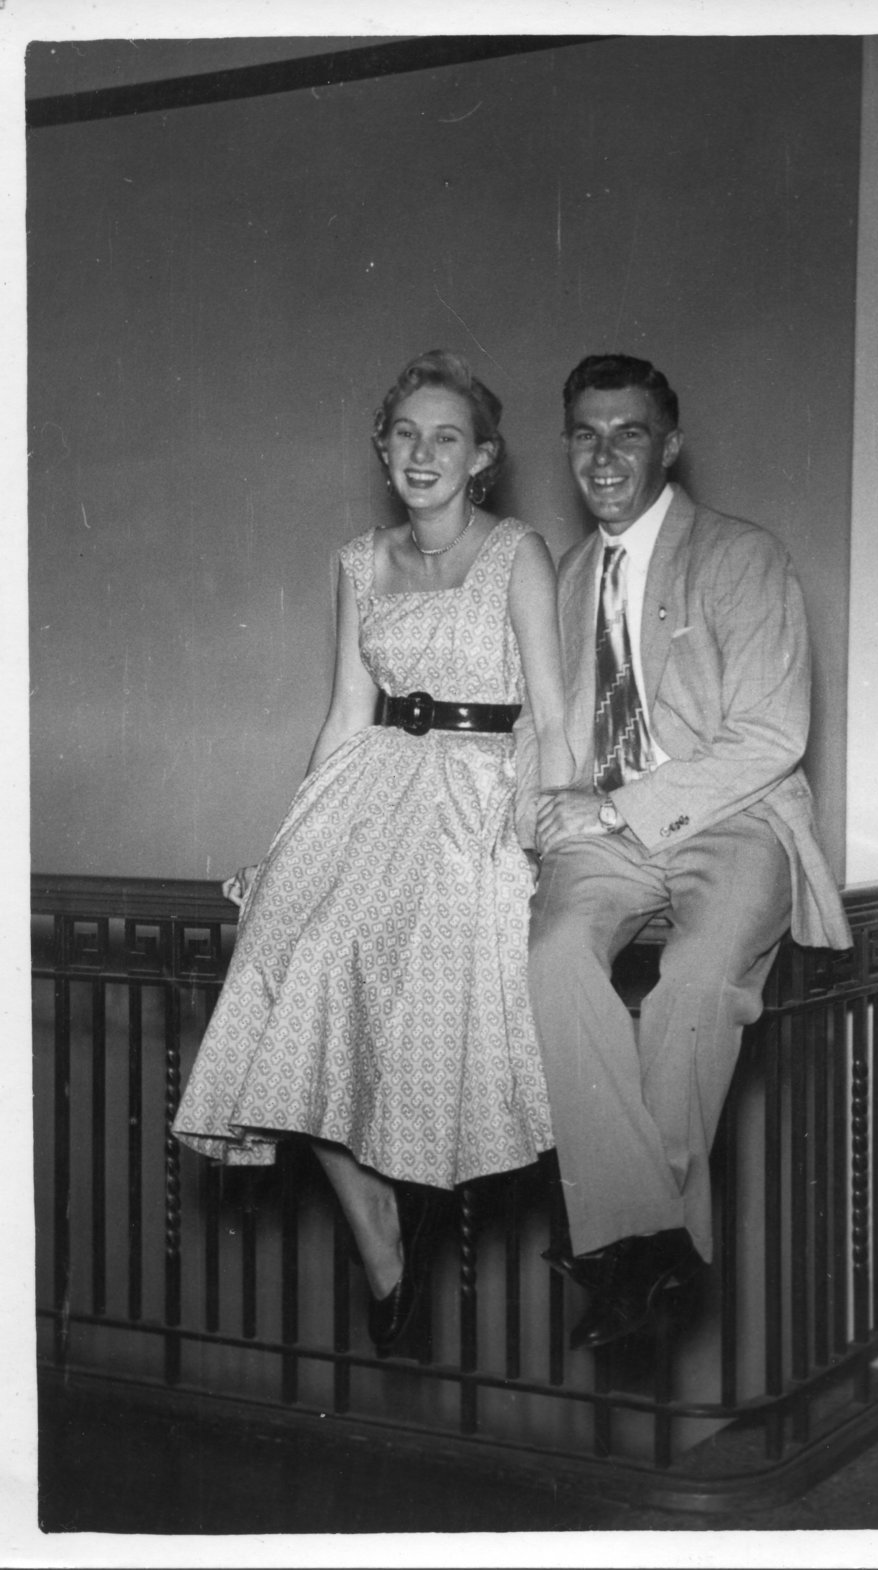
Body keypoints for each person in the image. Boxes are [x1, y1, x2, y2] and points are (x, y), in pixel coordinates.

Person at [173, 349, 570, 1351]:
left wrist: (542, 825)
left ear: (481, 457)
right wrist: (287, 845)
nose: (423, 452)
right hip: (369, 786)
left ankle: (416, 1192)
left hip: (477, 791)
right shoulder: (360, 561)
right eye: (405, 434)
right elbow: (347, 714)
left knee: (400, 982)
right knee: (277, 966)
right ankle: (379, 1225)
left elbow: (554, 722)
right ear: (382, 450)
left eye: (447, 436)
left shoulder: (517, 551)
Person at [521, 353, 853, 1353]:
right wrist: (536, 811)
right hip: (602, 838)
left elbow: (768, 737)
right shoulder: (565, 579)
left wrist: (615, 807)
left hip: (735, 819)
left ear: (669, 445)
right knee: (552, 958)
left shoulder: (744, 555)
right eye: (585, 432)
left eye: (628, 432)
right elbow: (541, 739)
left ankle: (625, 1249)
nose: (605, 452)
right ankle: (656, 1248)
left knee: (698, 979)